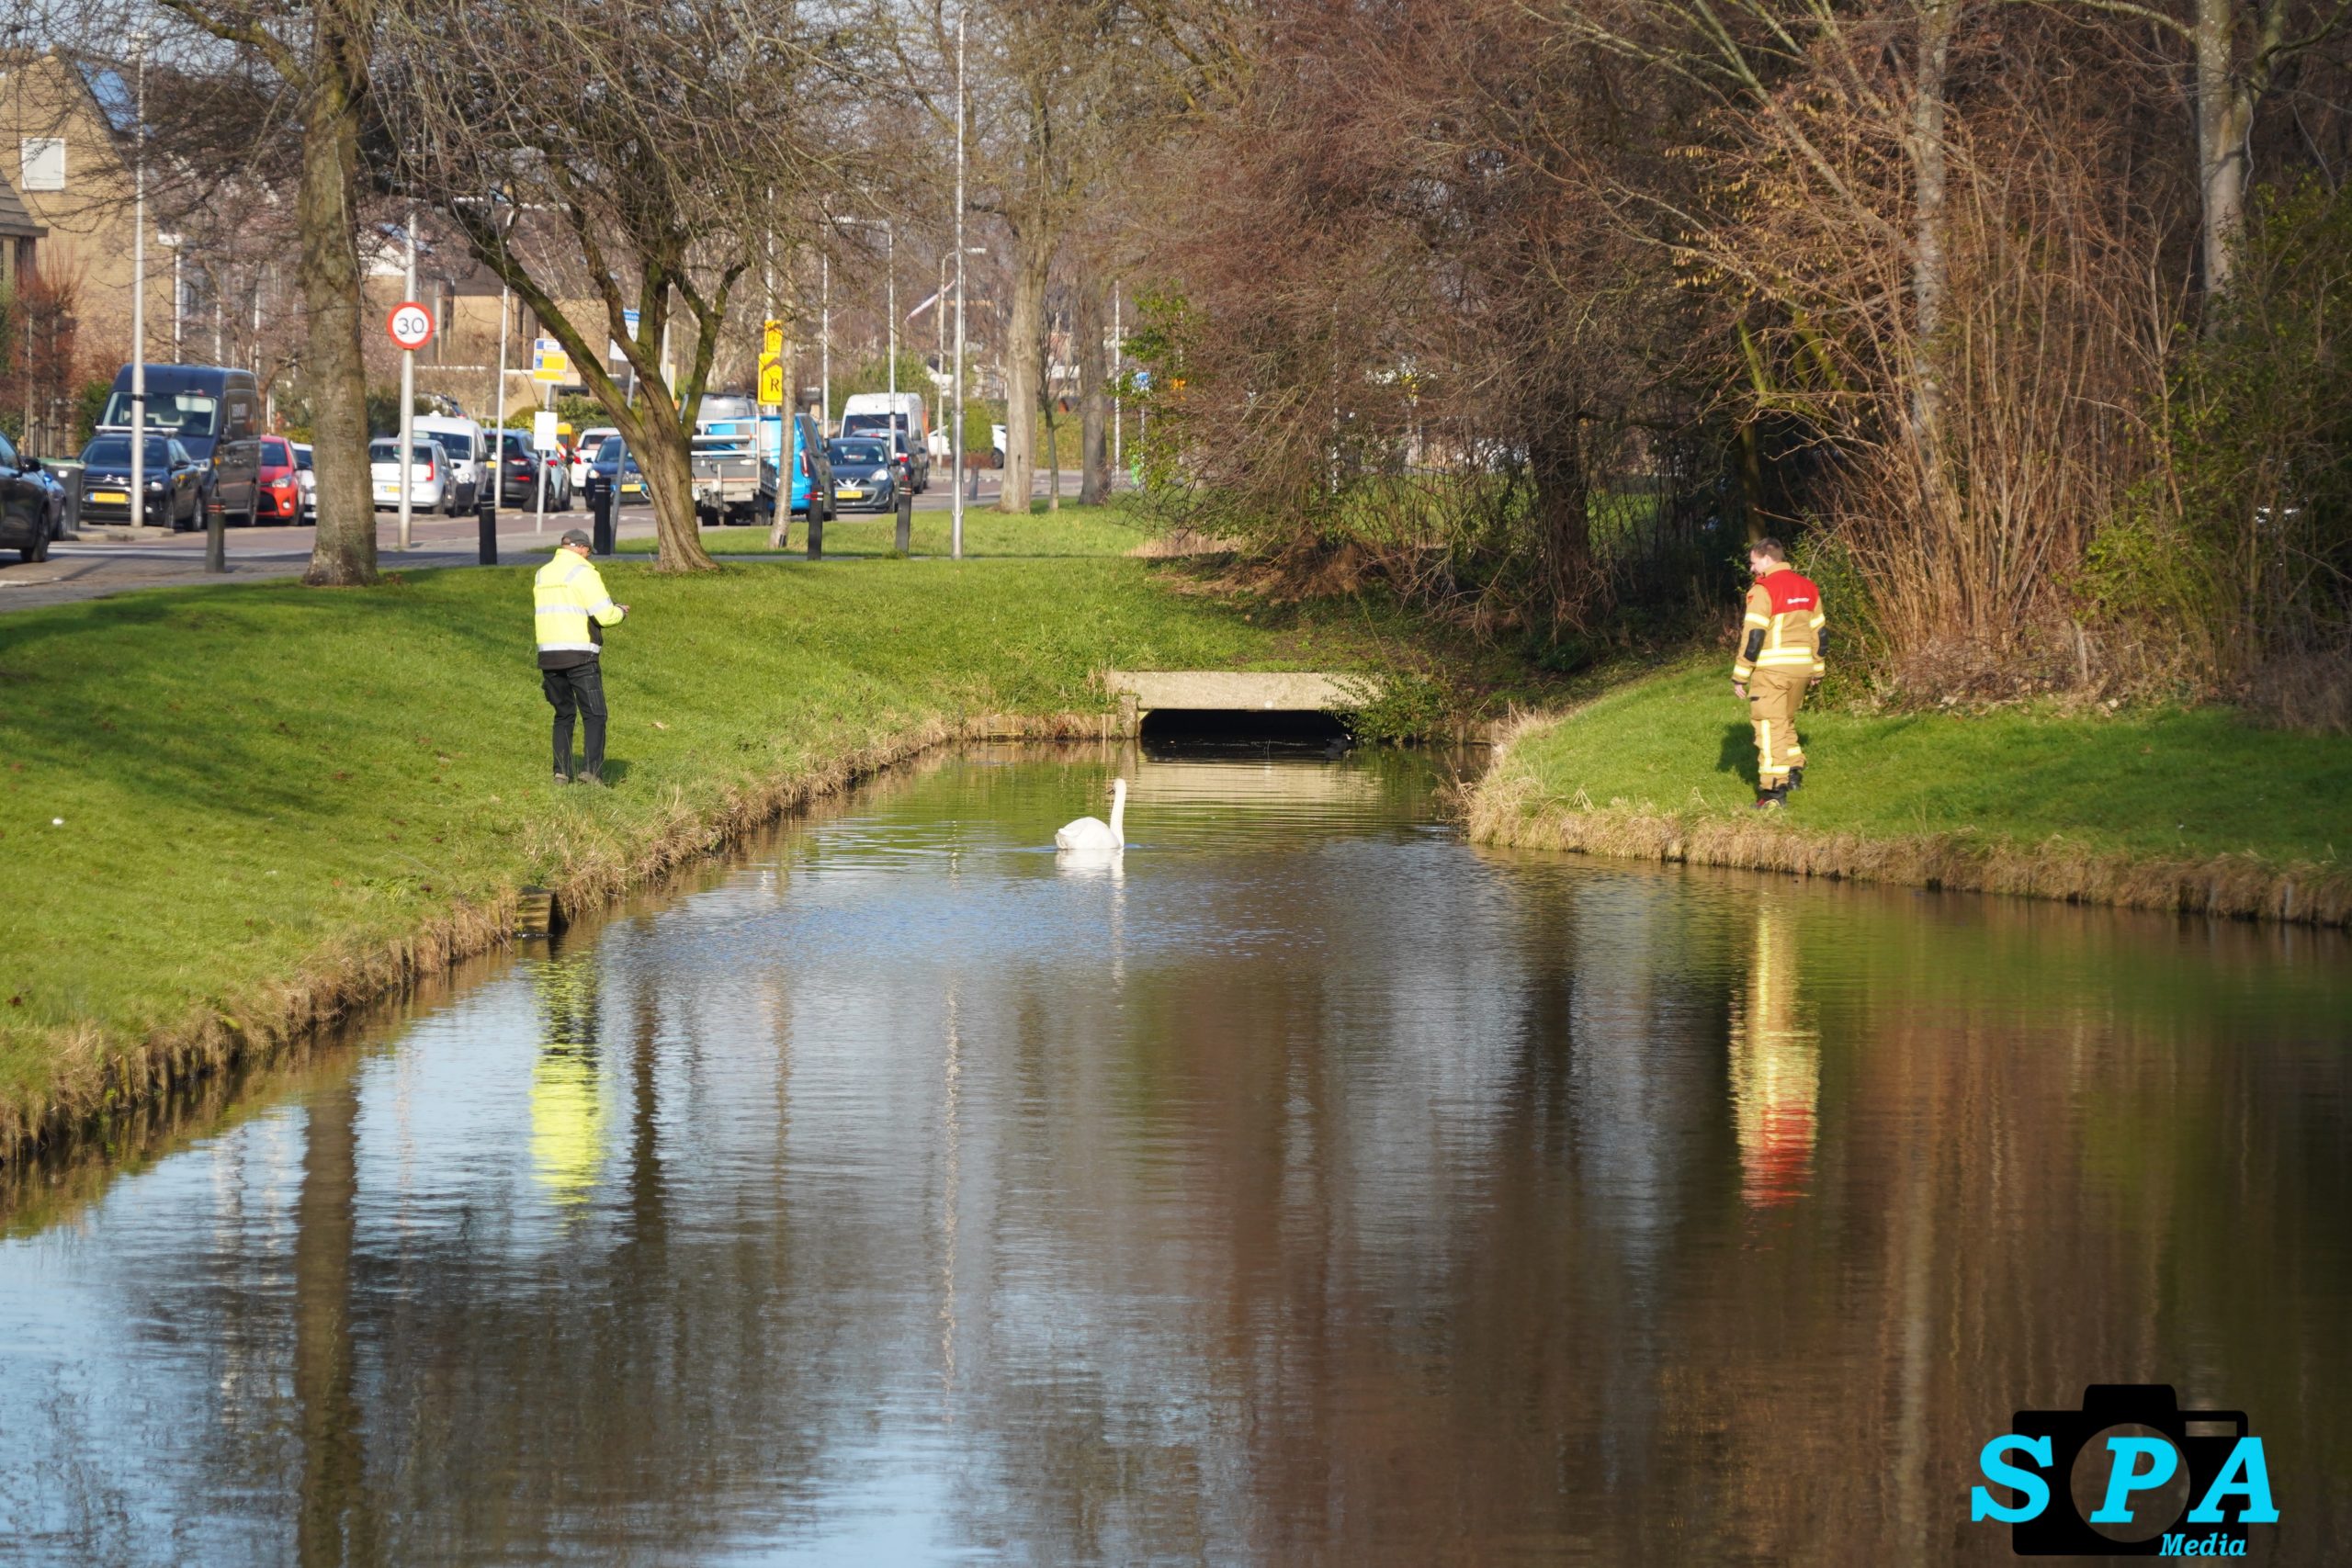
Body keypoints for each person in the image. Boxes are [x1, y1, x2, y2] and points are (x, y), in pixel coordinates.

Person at [1731, 536, 1826, 808]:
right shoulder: (1808, 587)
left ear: (1767, 559)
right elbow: (1820, 633)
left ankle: (1773, 793)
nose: (1751, 569)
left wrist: (1741, 675)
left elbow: (1754, 636)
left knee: (1769, 728)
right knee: (1785, 720)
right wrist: (1817, 668)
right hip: (1802, 669)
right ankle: (1794, 773)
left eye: (1753, 563)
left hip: (1772, 670)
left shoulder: (1763, 589)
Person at [534, 528, 628, 784]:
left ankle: (561, 773)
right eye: (588, 551)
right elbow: (605, 616)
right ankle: (591, 771)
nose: (589, 556)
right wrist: (620, 611)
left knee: (563, 714)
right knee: (595, 715)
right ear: (581, 547)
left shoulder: (542, 573)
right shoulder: (584, 573)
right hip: (579, 655)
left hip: (549, 656)